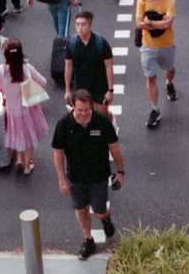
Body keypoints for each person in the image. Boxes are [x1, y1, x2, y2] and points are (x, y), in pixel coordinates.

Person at [52, 89, 124, 260]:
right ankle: (88, 239)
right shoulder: (64, 125)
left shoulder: (102, 122)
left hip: (99, 175)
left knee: (99, 210)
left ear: (92, 106)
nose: (83, 114)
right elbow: (58, 153)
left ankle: (105, 219)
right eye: (79, 110)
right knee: (81, 208)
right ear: (72, 107)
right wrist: (62, 179)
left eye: (87, 110)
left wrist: (120, 172)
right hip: (76, 177)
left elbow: (114, 147)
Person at [0, 38, 49, 175]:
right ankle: (27, 166)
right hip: (28, 108)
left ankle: (19, 158)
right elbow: (43, 81)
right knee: (28, 137)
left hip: (11, 109)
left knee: (17, 133)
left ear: (6, 55)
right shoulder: (27, 69)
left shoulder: (1, 71)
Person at [135, 0, 177, 128]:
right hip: (148, 47)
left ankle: (169, 82)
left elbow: (168, 24)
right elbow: (138, 24)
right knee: (151, 78)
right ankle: (155, 109)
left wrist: (150, 23)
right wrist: (160, 21)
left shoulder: (169, 1)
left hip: (166, 44)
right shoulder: (142, 0)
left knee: (170, 69)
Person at [64, 12, 114, 119]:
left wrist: (110, 90)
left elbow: (109, 67)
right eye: (77, 24)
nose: (80, 28)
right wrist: (68, 90)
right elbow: (68, 67)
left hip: (100, 85)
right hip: (81, 86)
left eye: (83, 24)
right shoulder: (71, 43)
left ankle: (111, 128)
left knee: (103, 115)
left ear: (90, 25)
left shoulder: (101, 43)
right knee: (84, 114)